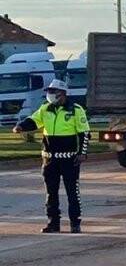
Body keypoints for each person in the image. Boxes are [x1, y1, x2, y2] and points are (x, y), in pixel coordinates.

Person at [12, 79, 90, 233]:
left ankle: (75, 223)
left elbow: (85, 133)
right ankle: (53, 223)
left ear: (63, 93)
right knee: (51, 193)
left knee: (72, 192)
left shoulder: (75, 110)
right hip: (49, 159)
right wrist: (21, 126)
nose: (50, 94)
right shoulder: (45, 109)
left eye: (54, 92)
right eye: (49, 92)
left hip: (69, 159)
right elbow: (34, 120)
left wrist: (82, 153)